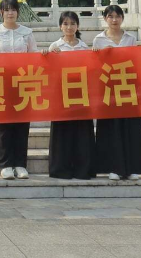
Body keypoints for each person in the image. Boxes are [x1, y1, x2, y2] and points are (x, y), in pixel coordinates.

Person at [0, 0, 43, 180]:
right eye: (6, 9)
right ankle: (6, 164)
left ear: (18, 12)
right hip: (1, 83)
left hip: (23, 83)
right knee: (3, 125)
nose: (10, 13)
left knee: (22, 125)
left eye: (13, 9)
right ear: (1, 12)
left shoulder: (27, 32)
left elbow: (34, 55)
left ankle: (20, 164)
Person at [92, 5, 141, 181]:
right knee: (110, 128)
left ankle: (131, 167)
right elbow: (94, 65)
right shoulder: (98, 40)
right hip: (108, 89)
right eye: (110, 16)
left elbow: (135, 62)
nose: (114, 20)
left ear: (122, 18)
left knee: (130, 127)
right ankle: (113, 167)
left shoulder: (131, 38)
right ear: (105, 19)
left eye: (117, 16)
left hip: (127, 87)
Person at [47, 11, 94, 180]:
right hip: (62, 94)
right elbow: (49, 71)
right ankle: (61, 168)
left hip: (81, 94)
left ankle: (83, 169)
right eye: (65, 24)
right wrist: (50, 57)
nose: (69, 27)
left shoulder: (84, 47)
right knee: (63, 133)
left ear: (78, 26)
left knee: (81, 132)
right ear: (60, 26)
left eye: (72, 23)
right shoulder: (55, 47)